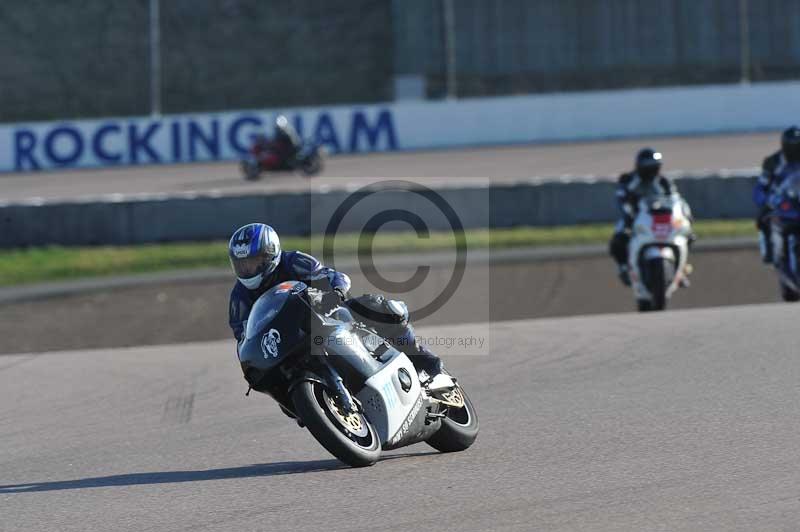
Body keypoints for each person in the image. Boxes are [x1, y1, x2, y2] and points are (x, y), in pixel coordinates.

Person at [227, 222, 444, 379]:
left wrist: (335, 292)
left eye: (253, 262)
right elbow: (243, 338)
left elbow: (331, 276)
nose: (247, 270)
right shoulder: (239, 298)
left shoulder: (294, 261)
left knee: (376, 307)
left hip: (326, 315)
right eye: (242, 264)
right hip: (289, 341)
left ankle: (423, 357)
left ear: (269, 254)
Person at [608, 148, 683, 286]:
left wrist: (682, 216)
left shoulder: (664, 182)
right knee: (618, 237)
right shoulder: (628, 179)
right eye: (648, 167)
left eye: (654, 167)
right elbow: (621, 198)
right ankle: (624, 268)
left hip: (660, 218)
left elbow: (675, 200)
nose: (651, 171)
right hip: (636, 218)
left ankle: (680, 269)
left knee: (686, 234)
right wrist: (629, 214)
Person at [753, 126, 800, 263]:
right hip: (782, 202)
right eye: (793, 147)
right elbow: (761, 187)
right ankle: (769, 252)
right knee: (763, 219)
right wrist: (766, 201)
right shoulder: (773, 162)